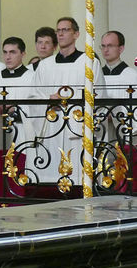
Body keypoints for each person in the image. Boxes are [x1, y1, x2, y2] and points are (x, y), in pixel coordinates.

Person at [31, 16, 105, 185]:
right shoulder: (45, 65)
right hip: (51, 126)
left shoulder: (88, 63)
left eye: (65, 30)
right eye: (58, 30)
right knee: (51, 178)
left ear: (76, 34)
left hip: (77, 128)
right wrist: (49, 99)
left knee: (78, 178)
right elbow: (33, 96)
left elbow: (99, 95)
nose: (61, 34)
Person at [0, 36, 36, 151]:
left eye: (12, 52)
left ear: (23, 54)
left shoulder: (33, 77)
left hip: (23, 131)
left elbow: (37, 107)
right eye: (5, 52)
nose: (8, 57)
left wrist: (14, 110)